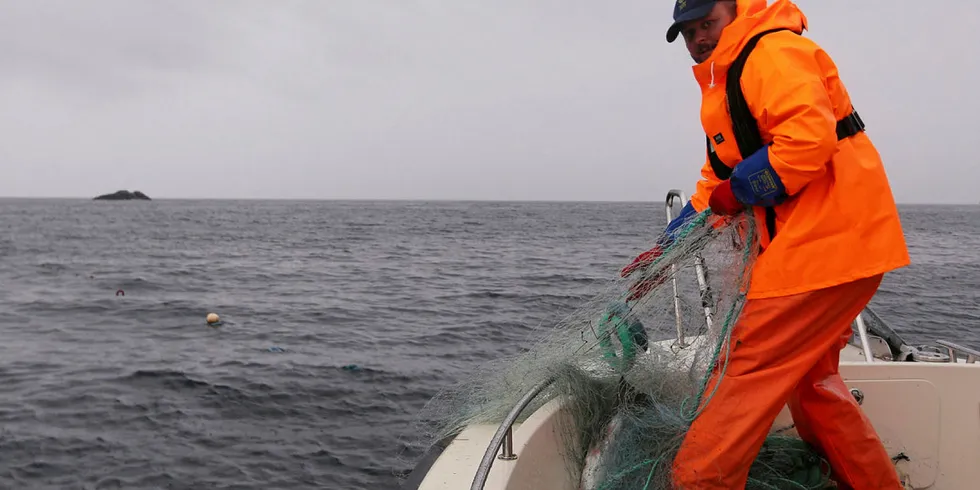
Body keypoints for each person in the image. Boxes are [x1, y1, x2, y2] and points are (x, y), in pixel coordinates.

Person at [619, 0, 911, 488]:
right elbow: (716, 181)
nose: (698, 40)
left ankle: (698, 482)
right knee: (810, 383)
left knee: (741, 370)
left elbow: (806, 142)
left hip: (825, 247)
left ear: (734, 11)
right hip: (835, 250)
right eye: (688, 33)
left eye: (706, 24)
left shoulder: (770, 53)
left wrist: (736, 191)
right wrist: (669, 244)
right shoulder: (724, 84)